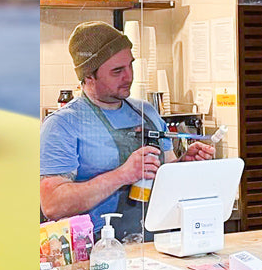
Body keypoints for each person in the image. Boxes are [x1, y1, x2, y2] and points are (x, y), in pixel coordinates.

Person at [40, 21, 215, 240]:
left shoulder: (147, 112)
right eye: (117, 71)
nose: (129, 76)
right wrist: (123, 175)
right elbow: (53, 205)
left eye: (130, 65)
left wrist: (183, 166)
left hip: (157, 242)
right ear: (88, 76)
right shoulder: (62, 125)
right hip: (100, 251)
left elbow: (165, 177)